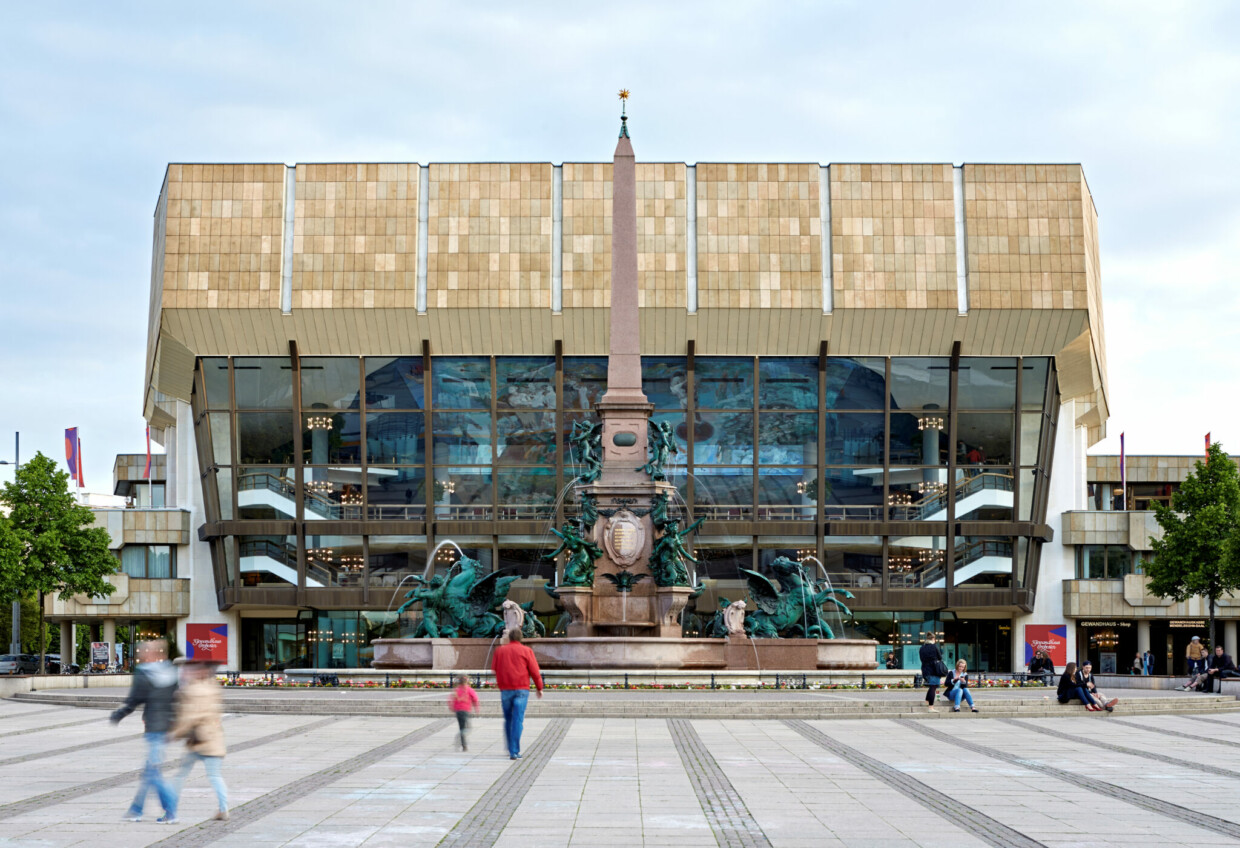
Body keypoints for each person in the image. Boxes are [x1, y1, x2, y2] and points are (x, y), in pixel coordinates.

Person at [111, 640, 180, 823]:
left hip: (154, 727)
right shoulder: (171, 672)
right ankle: (136, 810)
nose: (141, 655)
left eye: (142, 652)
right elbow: (177, 699)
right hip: (165, 727)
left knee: (153, 773)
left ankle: (170, 811)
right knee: (150, 772)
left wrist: (118, 714)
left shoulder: (144, 673)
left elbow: (135, 699)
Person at [169, 660, 228, 821]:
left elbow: (189, 717)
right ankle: (224, 809)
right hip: (214, 738)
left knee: (180, 776)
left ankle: (170, 809)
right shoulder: (213, 687)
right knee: (215, 776)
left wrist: (175, 734)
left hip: (198, 741)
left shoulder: (194, 690)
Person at [490, 628, 543, 760]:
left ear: (509, 638)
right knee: (517, 720)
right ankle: (514, 751)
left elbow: (494, 669)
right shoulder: (527, 651)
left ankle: (510, 748)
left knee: (508, 719)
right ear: (521, 638)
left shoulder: (500, 651)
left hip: (505, 690)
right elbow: (535, 671)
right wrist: (539, 688)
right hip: (521, 690)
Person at [449, 674, 480, 751]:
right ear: (466, 682)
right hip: (465, 710)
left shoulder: (456, 690)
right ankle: (460, 737)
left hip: (458, 711)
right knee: (468, 728)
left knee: (462, 727)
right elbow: (475, 699)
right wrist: (477, 708)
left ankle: (464, 745)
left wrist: (451, 707)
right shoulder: (469, 690)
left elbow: (450, 698)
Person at [919, 633, 944, 712]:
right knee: (933, 687)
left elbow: (921, 659)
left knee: (931, 686)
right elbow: (940, 657)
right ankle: (931, 707)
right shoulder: (934, 647)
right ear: (933, 639)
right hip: (934, 670)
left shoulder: (922, 648)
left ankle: (926, 701)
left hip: (925, 670)